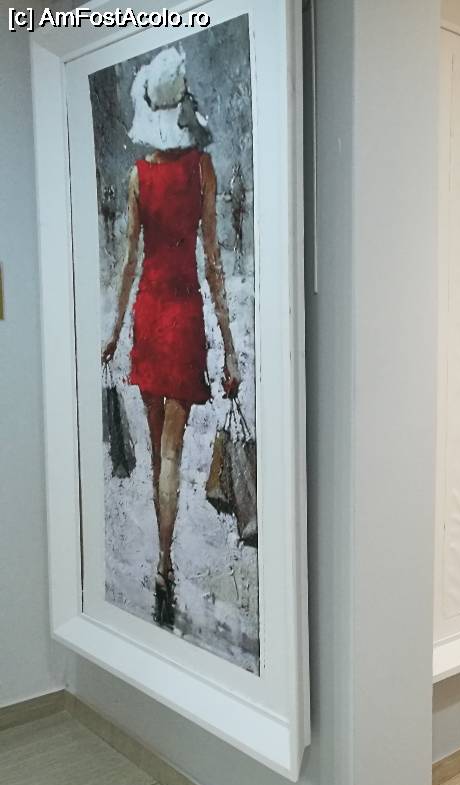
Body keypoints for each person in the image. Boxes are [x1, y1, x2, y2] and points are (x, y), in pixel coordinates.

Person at [101, 47, 240, 627]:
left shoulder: (138, 176)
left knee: (157, 443)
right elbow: (213, 263)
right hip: (182, 317)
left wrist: (114, 332)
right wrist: (229, 348)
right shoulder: (202, 170)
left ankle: (162, 565)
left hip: (148, 317)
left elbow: (129, 264)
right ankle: (164, 565)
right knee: (171, 454)